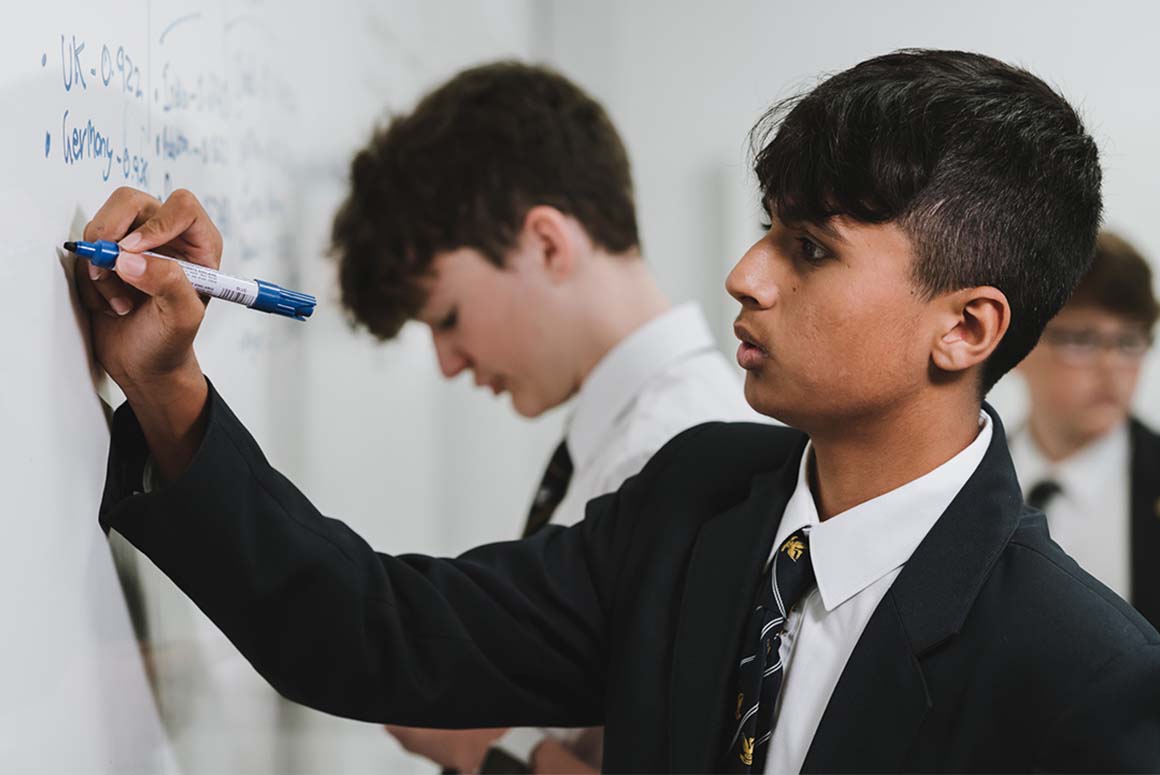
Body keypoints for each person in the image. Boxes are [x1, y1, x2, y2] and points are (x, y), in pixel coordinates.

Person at [80, 49, 1160, 773]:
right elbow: (375, 631)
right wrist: (169, 385)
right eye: (767, 228)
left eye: (810, 248)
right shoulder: (694, 503)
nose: (744, 273)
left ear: (964, 329)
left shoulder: (1081, 674)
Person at [107, 61, 758, 774]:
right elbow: (393, 630)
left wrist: (491, 749)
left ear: (547, 243)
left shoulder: (681, 455)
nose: (448, 363)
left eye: (448, 318)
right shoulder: (643, 440)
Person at [1012, 230, 1160, 628]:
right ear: (1020, 345)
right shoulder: (965, 482)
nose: (1111, 366)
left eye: (1129, 341)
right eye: (1082, 339)